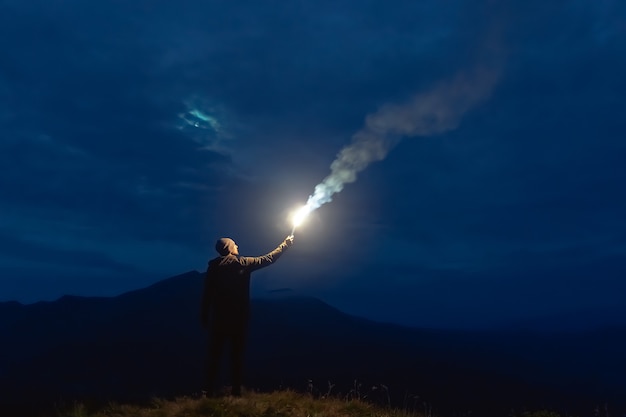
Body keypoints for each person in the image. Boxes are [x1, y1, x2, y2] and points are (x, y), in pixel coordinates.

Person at [200, 235, 294, 397]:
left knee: (215, 356)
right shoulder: (242, 263)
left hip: (218, 320)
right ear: (229, 248)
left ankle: (208, 391)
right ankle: (236, 392)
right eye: (234, 244)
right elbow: (269, 258)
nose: (237, 245)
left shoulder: (213, 267)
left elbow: (207, 294)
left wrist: (204, 315)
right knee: (236, 356)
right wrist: (286, 244)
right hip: (238, 320)